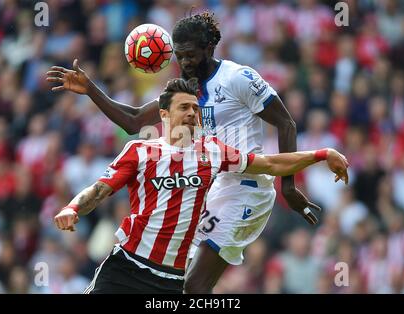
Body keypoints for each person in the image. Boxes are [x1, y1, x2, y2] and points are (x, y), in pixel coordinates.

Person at [47, 11, 331, 293]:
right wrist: (90, 89)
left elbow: (286, 123)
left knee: (194, 286)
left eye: (190, 55)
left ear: (209, 48)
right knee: (178, 279)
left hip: (248, 189)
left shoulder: (238, 78)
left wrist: (289, 187)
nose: (184, 62)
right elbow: (132, 120)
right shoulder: (186, 90)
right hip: (216, 186)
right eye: (179, 56)